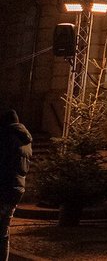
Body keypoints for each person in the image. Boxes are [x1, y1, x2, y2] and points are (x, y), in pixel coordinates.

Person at [1, 109, 32, 261]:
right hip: (17, 188)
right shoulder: (25, 140)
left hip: (4, 187)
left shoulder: (7, 137)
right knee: (3, 231)